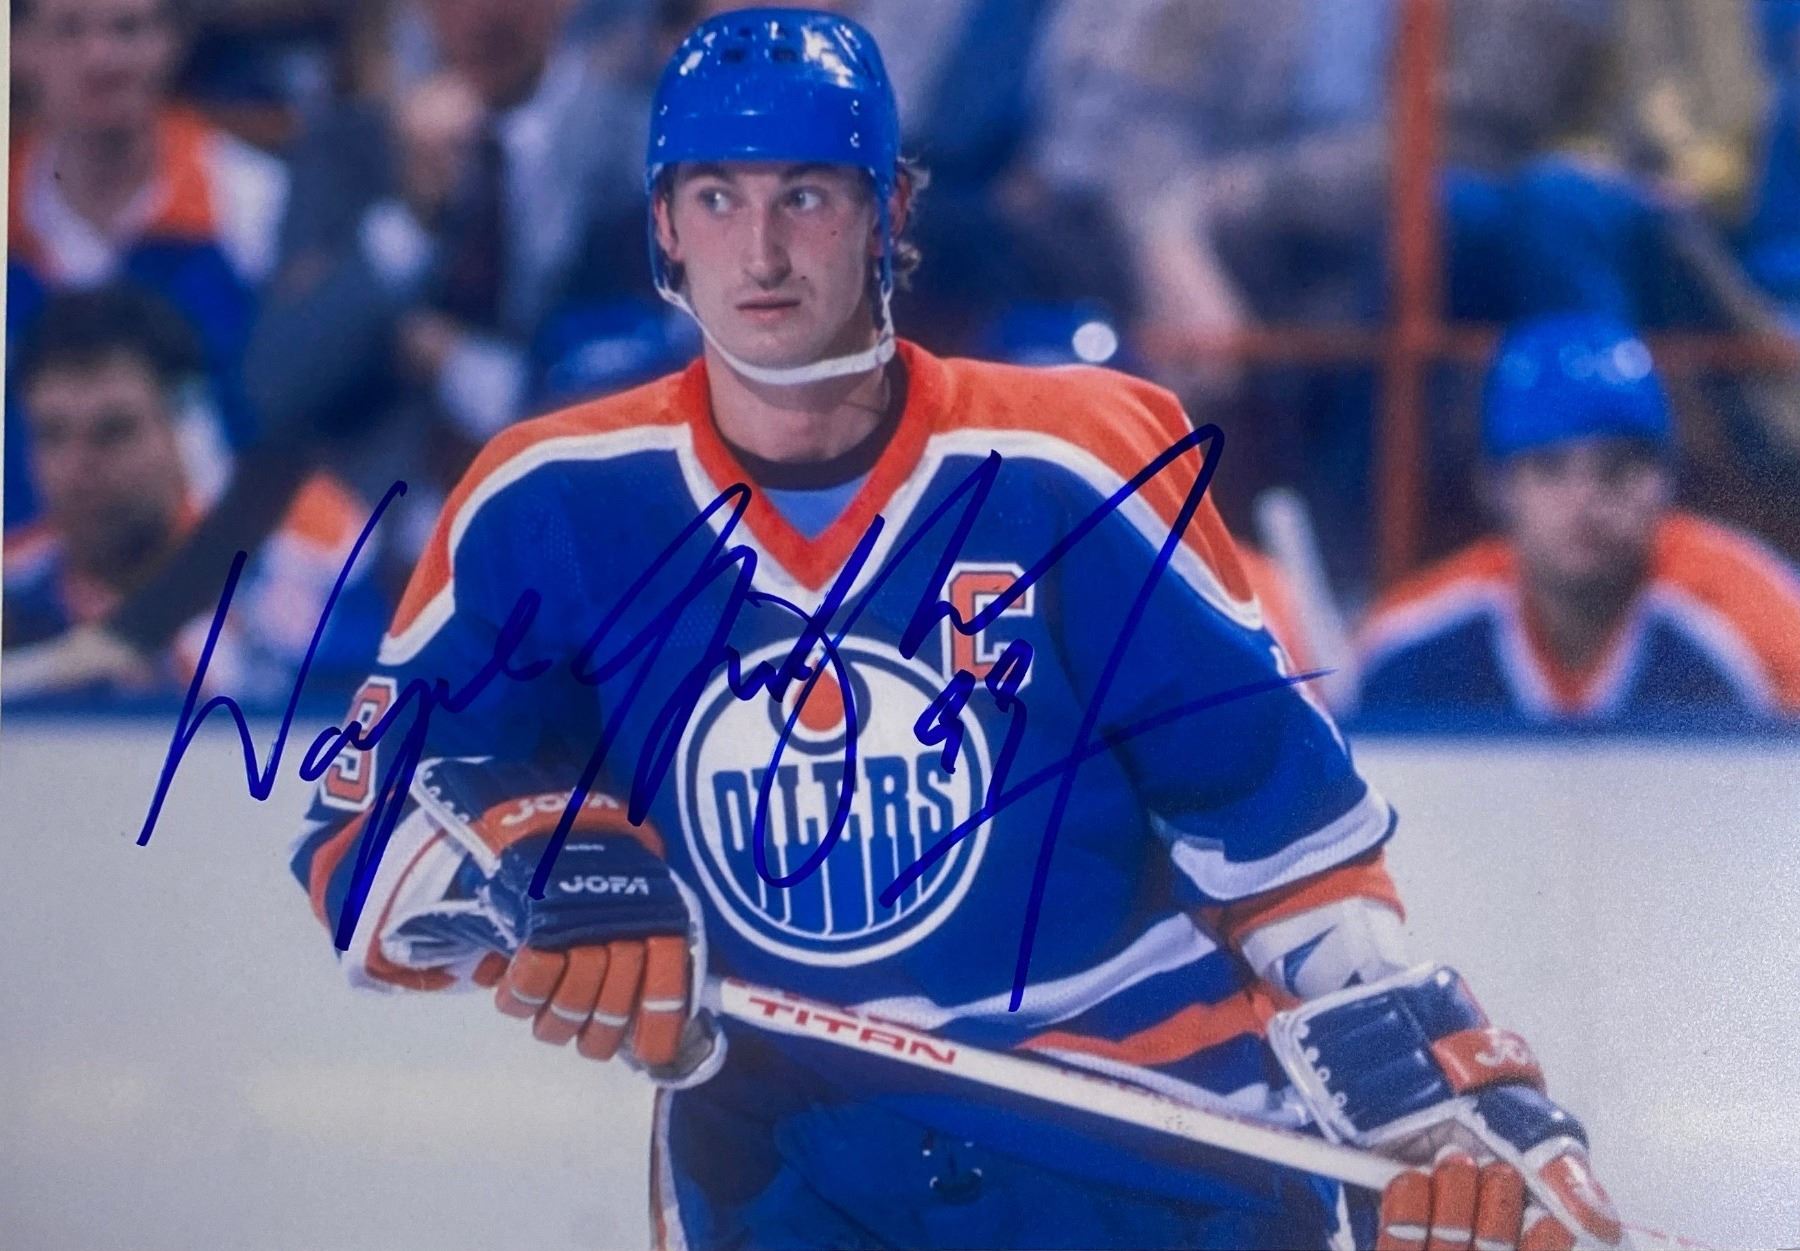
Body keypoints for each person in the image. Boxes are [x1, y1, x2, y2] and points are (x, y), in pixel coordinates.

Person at [290, 11, 1624, 1249]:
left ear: (891, 212)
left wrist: (1434, 1104)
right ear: (664, 228)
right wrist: (530, 865)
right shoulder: (551, 501)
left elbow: (1289, 858)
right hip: (792, 1168)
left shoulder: (1080, 461)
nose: (762, 252)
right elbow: (359, 829)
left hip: (1156, 1145)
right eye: (719, 199)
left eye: (807, 196)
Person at [1358, 313, 1800, 724]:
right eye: (1549, 467)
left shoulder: (1760, 622)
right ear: (1496, 486)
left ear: (1667, 480)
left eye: (1617, 467)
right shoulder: (1409, 639)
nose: (1585, 498)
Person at [2, 285, 382, 700]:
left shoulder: (306, 548)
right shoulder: (11, 581)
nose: (78, 466)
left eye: (114, 431)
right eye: (52, 434)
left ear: (186, 428)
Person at [6, 0, 289, 529]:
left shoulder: (253, 199)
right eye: (69, 30)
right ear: (19, 47)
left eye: (127, 29)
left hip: (223, 554)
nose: (100, 56)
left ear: (172, 42)